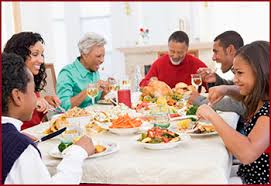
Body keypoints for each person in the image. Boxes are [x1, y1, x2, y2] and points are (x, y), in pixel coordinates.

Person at [2, 52, 95, 184]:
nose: (36, 97)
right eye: (33, 91)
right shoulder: (21, 150)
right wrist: (77, 152)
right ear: (17, 96)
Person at [196, 41, 270, 184]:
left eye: (240, 73)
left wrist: (212, 115)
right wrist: (225, 89)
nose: (235, 79)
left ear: (261, 73)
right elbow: (243, 93)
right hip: (249, 171)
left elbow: (247, 153)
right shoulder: (261, 95)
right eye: (234, 73)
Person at [4, 32, 61, 130]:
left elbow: (34, 120)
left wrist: (45, 101)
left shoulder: (31, 80)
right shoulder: (8, 85)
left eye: (42, 54)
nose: (41, 60)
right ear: (19, 56)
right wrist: (33, 102)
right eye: (35, 54)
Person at [190, 31, 246, 117]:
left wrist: (200, 101)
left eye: (216, 52)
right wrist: (217, 80)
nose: (213, 57)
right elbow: (236, 87)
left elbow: (241, 103)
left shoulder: (249, 67)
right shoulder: (243, 67)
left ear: (230, 49)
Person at [56, 32, 111, 110]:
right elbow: (63, 107)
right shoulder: (67, 73)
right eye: (98, 56)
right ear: (84, 54)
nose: (102, 60)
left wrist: (104, 93)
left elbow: (94, 103)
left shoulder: (94, 70)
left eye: (103, 56)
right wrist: (89, 89)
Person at [139, 30, 207, 89]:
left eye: (180, 52)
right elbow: (142, 84)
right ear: (168, 47)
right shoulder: (159, 63)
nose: (175, 56)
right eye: (172, 51)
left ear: (186, 50)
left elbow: (211, 86)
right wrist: (150, 82)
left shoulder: (197, 64)